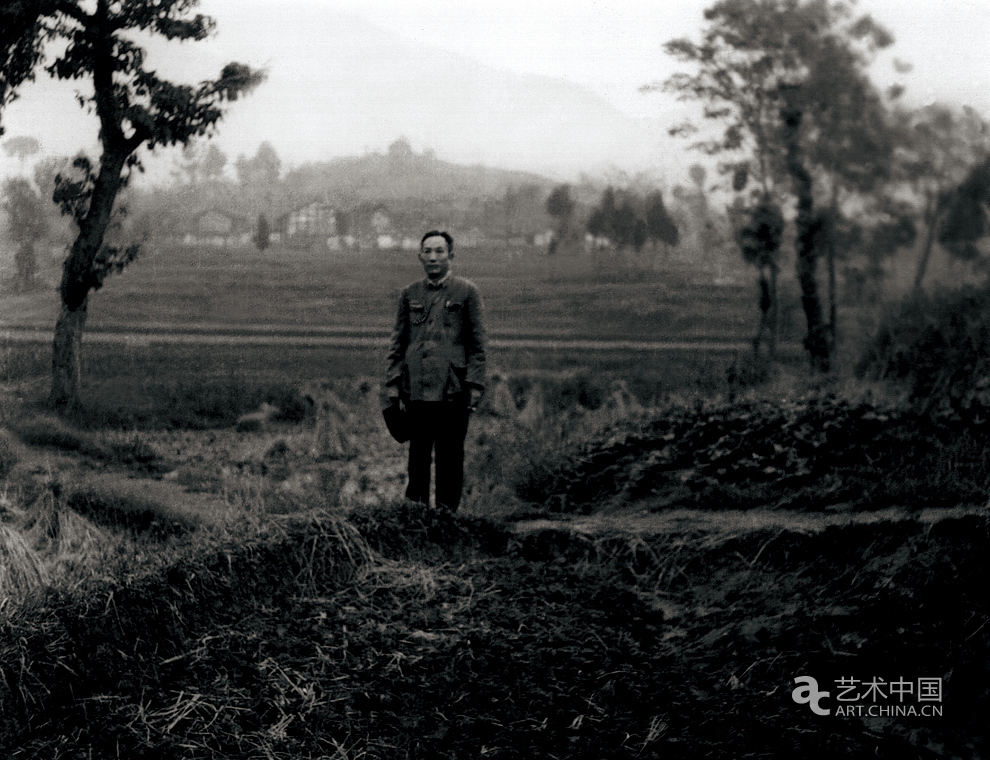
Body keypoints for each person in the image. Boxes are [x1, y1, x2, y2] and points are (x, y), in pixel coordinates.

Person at [384, 230, 486, 512]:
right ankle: (416, 521)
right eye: (427, 251)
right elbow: (398, 341)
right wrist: (392, 385)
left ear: (451, 256)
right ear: (419, 256)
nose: (433, 257)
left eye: (439, 251)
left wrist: (475, 386)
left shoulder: (467, 293)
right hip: (416, 390)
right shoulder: (409, 294)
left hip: (452, 392)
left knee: (450, 460)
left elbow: (478, 344)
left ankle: (446, 521)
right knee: (417, 461)